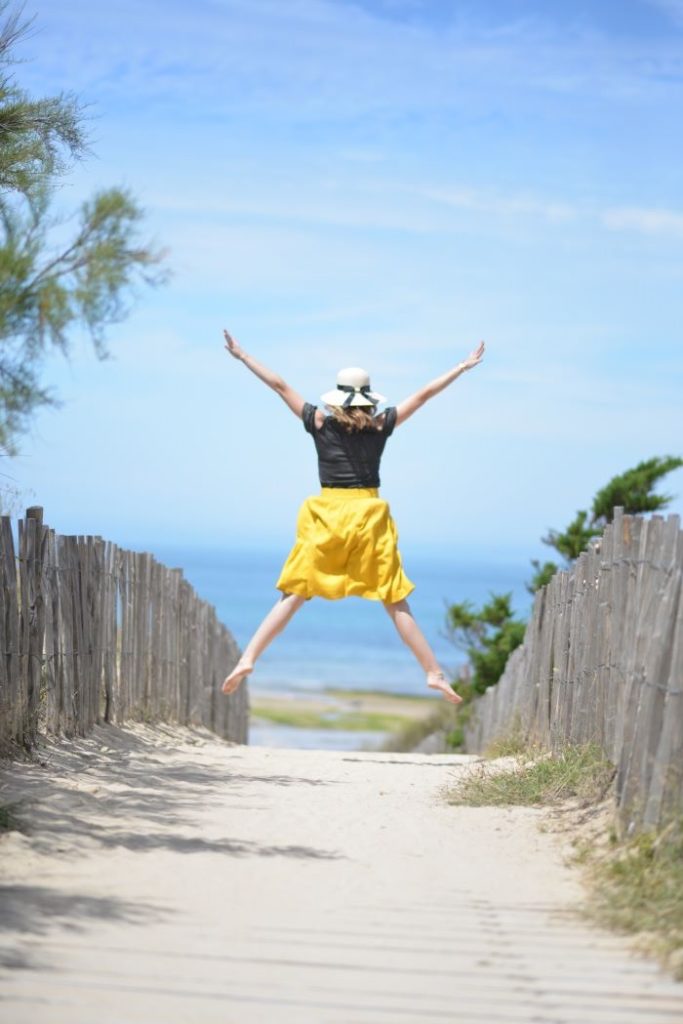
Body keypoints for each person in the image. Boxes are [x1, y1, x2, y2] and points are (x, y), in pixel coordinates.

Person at [221, 329, 485, 703]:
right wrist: (461, 366)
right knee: (395, 601)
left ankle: (248, 657)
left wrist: (243, 356)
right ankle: (433, 672)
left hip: (327, 515)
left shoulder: (318, 423)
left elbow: (280, 385)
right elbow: (424, 394)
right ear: (368, 398)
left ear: (338, 396)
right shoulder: (381, 426)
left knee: (295, 593)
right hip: (368, 516)